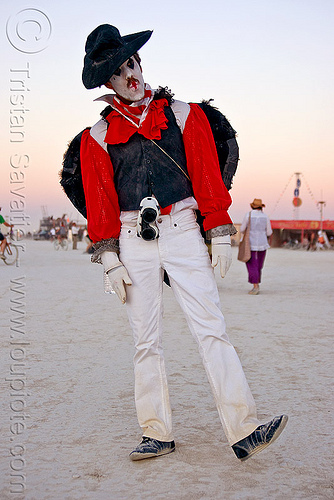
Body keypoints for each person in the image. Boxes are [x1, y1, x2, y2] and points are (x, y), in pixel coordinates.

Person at [62, 24, 287, 462]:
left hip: (184, 229)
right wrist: (109, 257)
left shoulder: (184, 114)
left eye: (132, 63)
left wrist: (218, 231)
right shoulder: (96, 137)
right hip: (132, 240)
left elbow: (205, 174)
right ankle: (156, 432)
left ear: (140, 63)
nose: (130, 74)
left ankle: (244, 430)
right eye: (118, 70)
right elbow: (101, 200)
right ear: (107, 82)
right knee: (145, 340)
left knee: (212, 329)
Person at [240, 198, 273, 295]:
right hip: (263, 244)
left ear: (252, 206)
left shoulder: (248, 215)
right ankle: (256, 282)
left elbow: (242, 229)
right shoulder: (265, 216)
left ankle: (255, 286)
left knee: (251, 264)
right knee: (259, 265)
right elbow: (269, 232)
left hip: (250, 244)